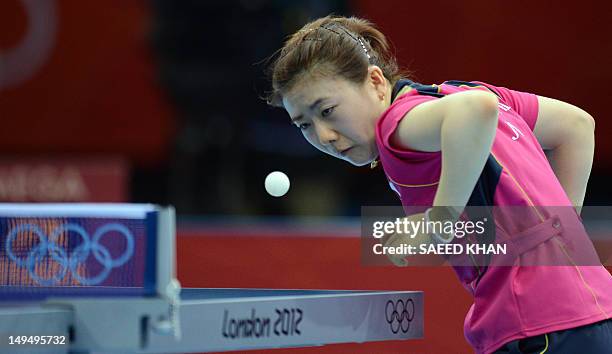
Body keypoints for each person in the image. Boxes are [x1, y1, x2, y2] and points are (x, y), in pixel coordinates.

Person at [265, 15, 612, 353]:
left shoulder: (396, 125)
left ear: (375, 81)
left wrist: (438, 222)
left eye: (326, 111)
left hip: (540, 327)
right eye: (303, 125)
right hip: (593, 311)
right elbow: (576, 126)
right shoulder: (454, 93)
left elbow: (476, 110)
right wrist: (561, 234)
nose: (323, 135)